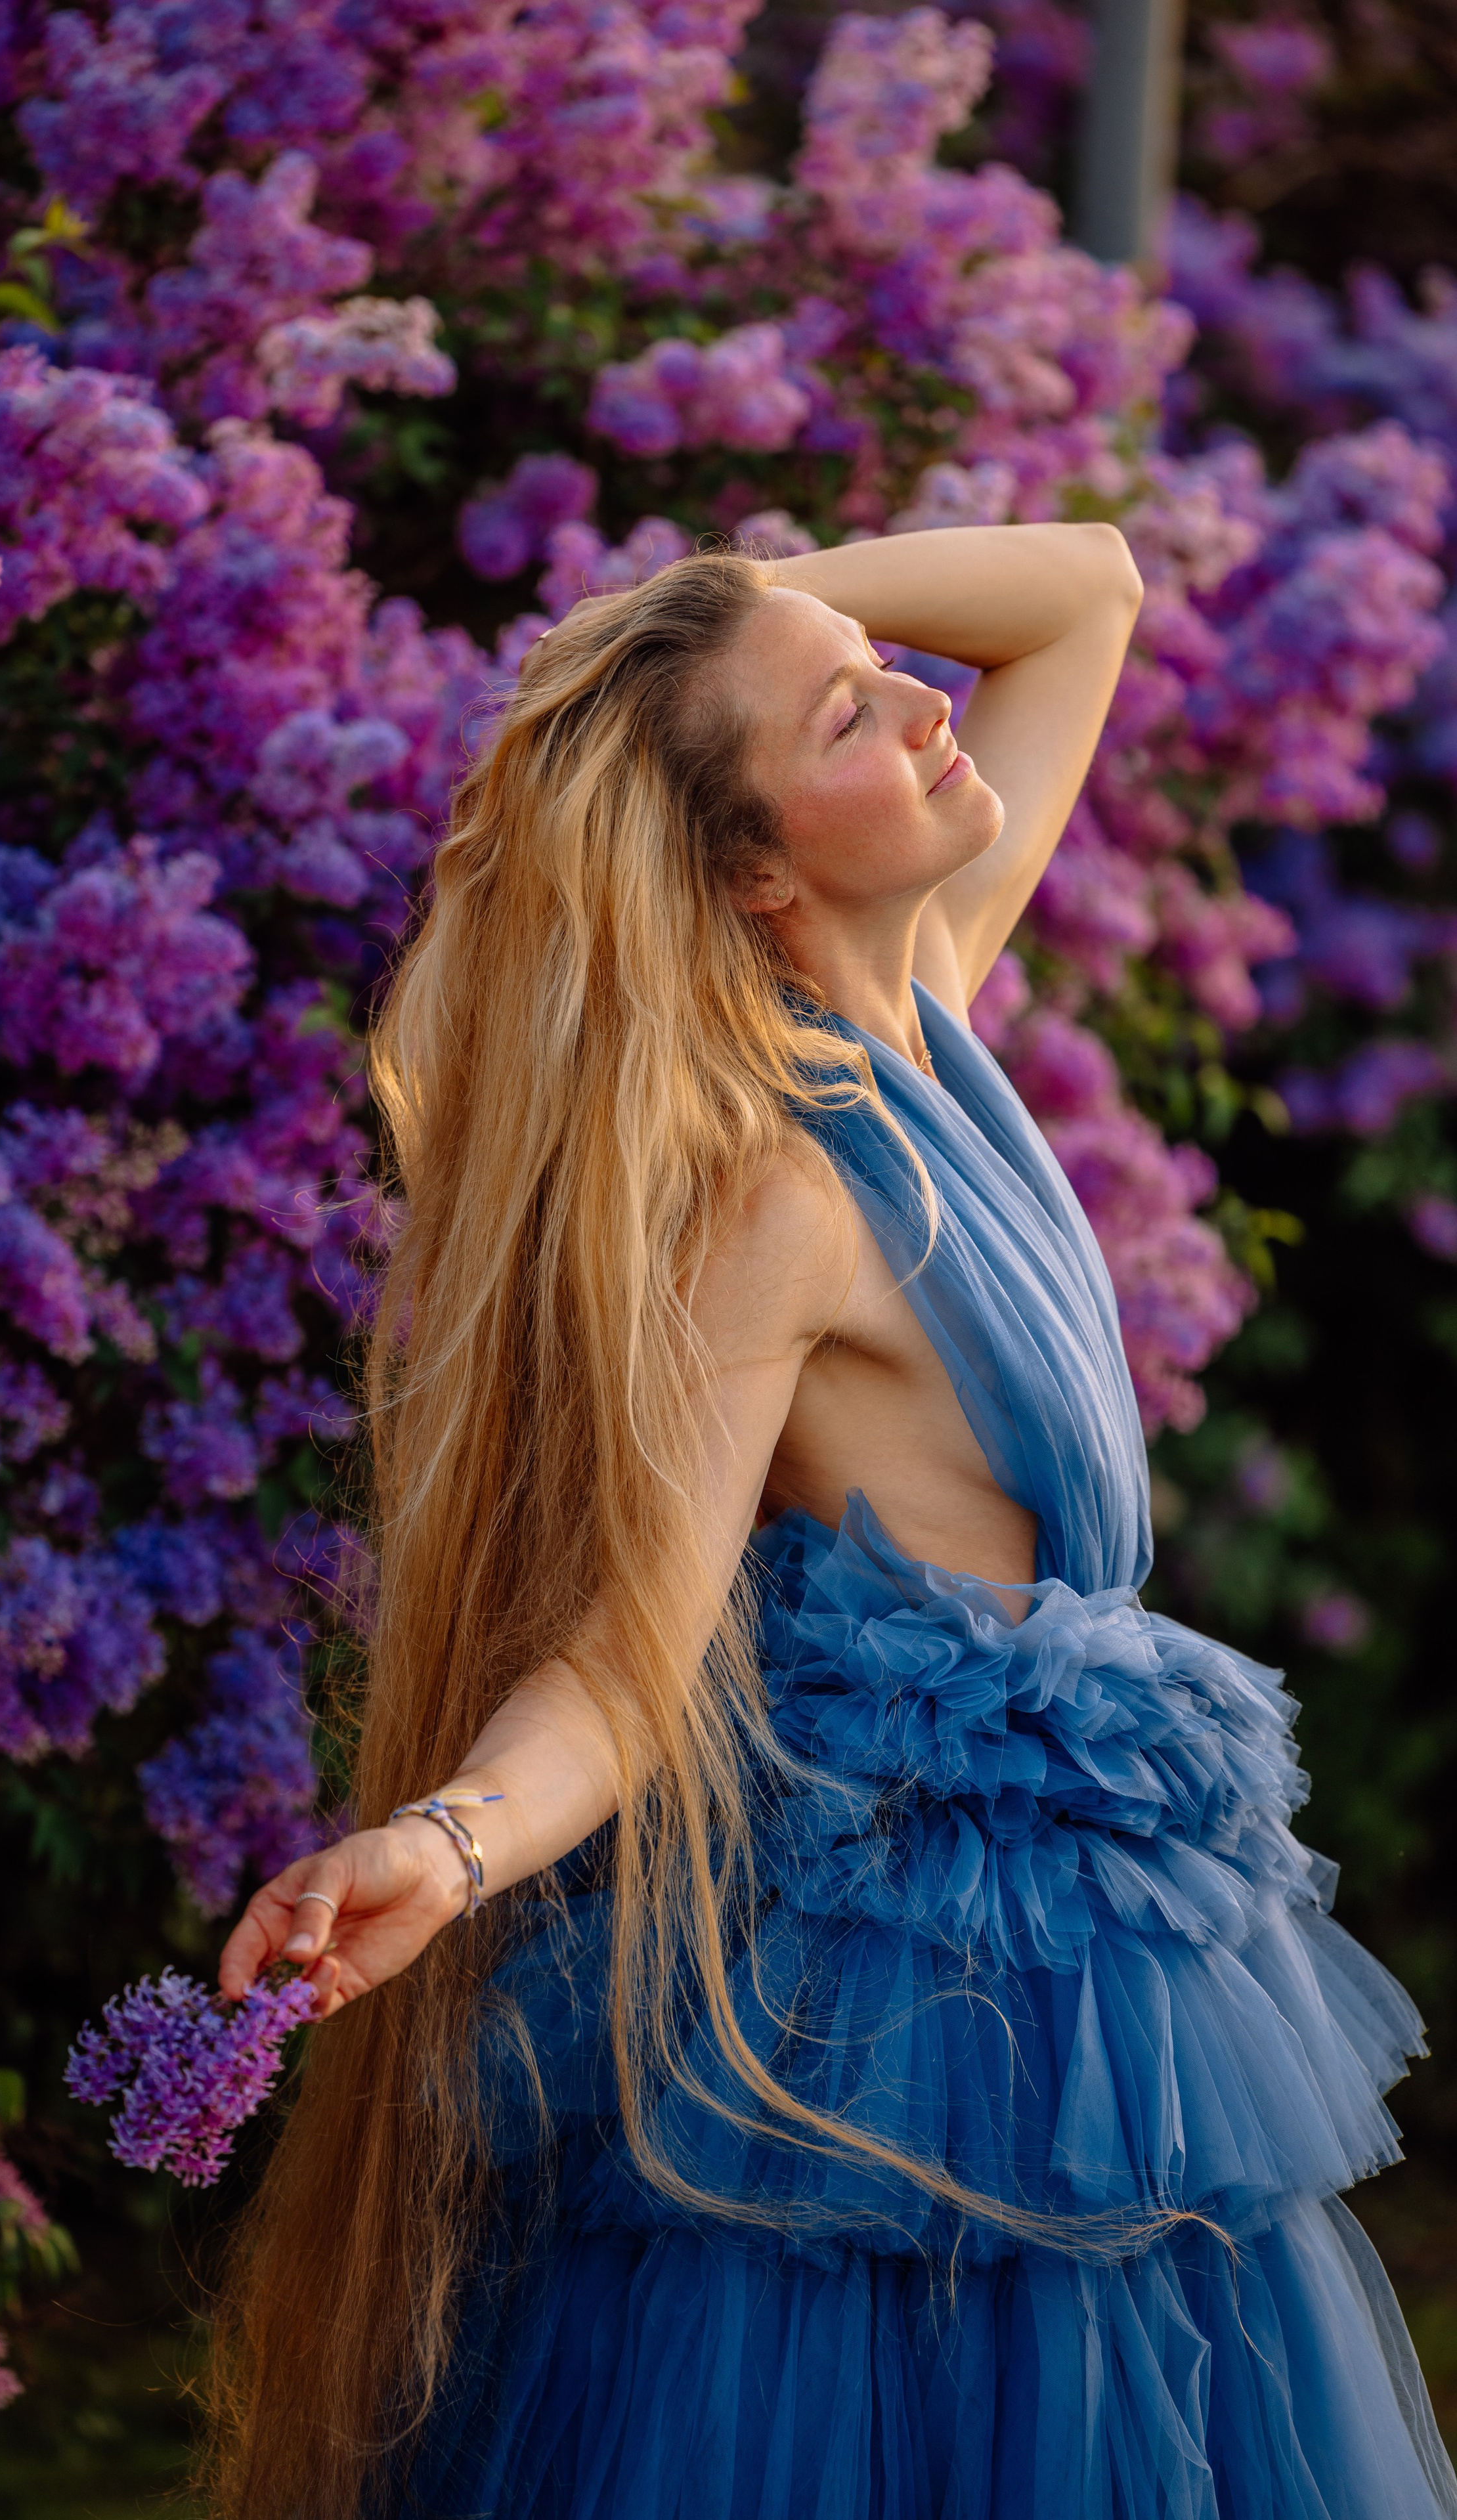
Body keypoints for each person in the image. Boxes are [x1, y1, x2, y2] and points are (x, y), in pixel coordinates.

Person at [207, 530, 1457, 2520]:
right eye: (852, 717)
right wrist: (444, 1844)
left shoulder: (932, 1004)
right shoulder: (782, 1196)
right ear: (762, 871)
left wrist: (729, 609)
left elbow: (1091, 588)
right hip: (916, 1978)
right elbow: (630, 1654)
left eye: (886, 668)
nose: (928, 699)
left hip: (1085, 1920)